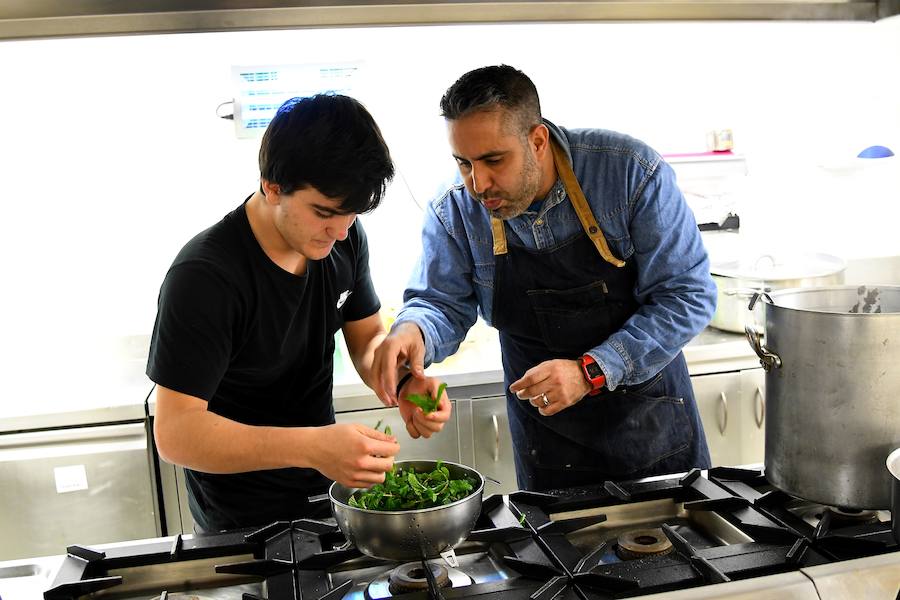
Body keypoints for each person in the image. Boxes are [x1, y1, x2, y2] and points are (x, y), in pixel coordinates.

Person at [373, 65, 716, 492]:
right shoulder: (454, 211)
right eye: (463, 163)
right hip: (548, 446)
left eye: (493, 160)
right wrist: (414, 331)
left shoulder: (630, 174)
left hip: (653, 432)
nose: (478, 183)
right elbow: (441, 303)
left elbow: (687, 296)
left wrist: (591, 371)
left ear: (538, 141)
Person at [147, 94, 451, 533]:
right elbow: (177, 433)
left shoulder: (343, 239)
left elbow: (367, 339)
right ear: (272, 186)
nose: (340, 231)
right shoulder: (205, 276)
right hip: (240, 522)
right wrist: (312, 447)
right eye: (324, 212)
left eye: (351, 214)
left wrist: (404, 382)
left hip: (327, 496)